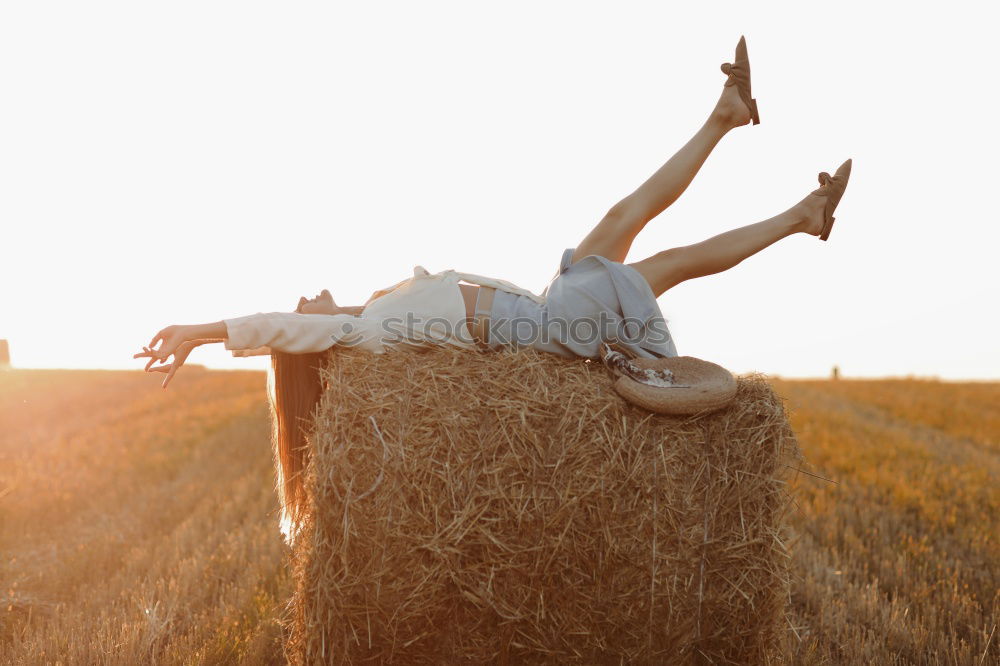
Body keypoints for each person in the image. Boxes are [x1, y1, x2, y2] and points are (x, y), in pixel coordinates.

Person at [134, 36, 851, 539]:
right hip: (545, 332)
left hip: (542, 312)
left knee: (629, 222)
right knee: (670, 259)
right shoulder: (357, 336)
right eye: (306, 305)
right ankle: (793, 206)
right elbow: (275, 329)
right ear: (311, 333)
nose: (313, 294)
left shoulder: (381, 314)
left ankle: (736, 126)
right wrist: (200, 332)